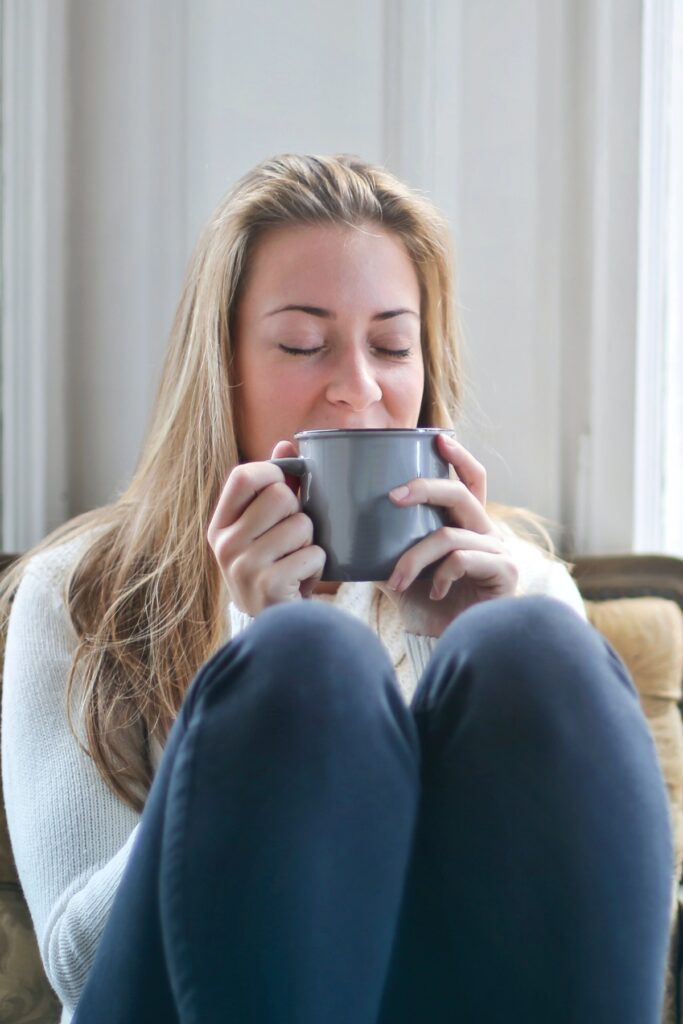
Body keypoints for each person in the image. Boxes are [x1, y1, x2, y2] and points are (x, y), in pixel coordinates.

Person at [0, 153, 673, 1024]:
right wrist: (253, 651)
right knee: (305, 658)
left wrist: (453, 645)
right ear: (223, 366)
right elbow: (80, 970)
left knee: (533, 644)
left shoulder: (515, 584)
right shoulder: (77, 593)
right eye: (301, 344)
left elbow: (611, 932)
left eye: (393, 346)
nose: (358, 388)